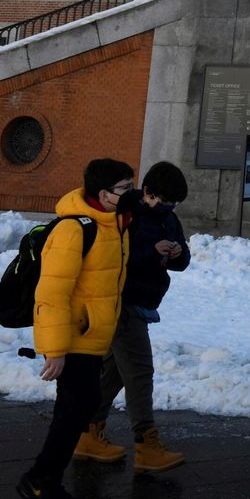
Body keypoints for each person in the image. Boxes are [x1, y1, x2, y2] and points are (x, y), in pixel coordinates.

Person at [17, 158, 135, 499]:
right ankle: (40, 480)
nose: (131, 193)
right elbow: (51, 293)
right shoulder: (74, 230)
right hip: (74, 336)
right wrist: (54, 350)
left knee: (76, 407)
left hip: (92, 335)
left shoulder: (115, 224)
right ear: (104, 194)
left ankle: (44, 479)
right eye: (125, 188)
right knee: (79, 406)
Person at [77, 162, 191, 473]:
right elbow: (114, 258)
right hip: (120, 302)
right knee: (140, 372)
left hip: (143, 302)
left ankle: (87, 434)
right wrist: (152, 252)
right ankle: (145, 445)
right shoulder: (125, 213)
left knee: (115, 372)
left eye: (174, 204)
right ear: (148, 192)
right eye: (164, 201)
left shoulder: (169, 218)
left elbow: (182, 261)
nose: (169, 208)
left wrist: (177, 253)